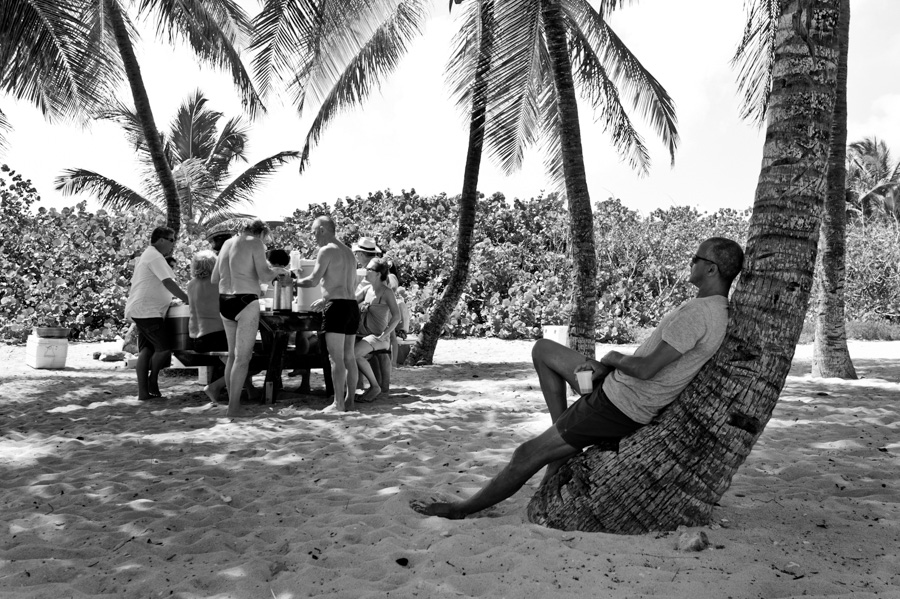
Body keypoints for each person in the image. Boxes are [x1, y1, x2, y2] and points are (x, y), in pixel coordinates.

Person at [412, 237, 744, 519]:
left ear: (712, 269)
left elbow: (646, 370)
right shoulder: (714, 310)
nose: (691, 263)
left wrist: (612, 358)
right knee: (544, 350)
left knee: (526, 454)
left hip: (618, 404)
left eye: (696, 258)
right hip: (610, 385)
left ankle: (460, 510)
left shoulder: (699, 314)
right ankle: (563, 436)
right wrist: (610, 368)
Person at [211, 219, 289, 417]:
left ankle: (232, 404)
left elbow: (214, 278)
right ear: (261, 233)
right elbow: (264, 276)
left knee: (232, 356)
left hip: (224, 300)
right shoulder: (255, 243)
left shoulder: (227, 243)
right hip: (245, 300)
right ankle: (233, 408)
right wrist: (278, 271)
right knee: (243, 358)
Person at [296, 216, 360, 412]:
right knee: (349, 357)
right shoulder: (349, 253)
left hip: (337, 308)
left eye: (314, 232)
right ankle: (349, 401)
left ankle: (338, 403)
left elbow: (313, 280)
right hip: (351, 306)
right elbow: (350, 283)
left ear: (322, 230)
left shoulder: (326, 250)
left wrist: (292, 281)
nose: (314, 236)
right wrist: (327, 298)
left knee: (336, 359)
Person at [124, 226, 189, 401]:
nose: (173, 244)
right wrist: (188, 299)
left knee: (146, 351)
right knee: (164, 348)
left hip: (144, 310)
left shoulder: (149, 255)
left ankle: (143, 393)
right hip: (148, 311)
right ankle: (152, 381)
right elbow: (168, 283)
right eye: (171, 240)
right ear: (161, 240)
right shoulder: (155, 256)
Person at [355, 258, 401, 403]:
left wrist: (384, 334)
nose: (365, 271)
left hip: (378, 338)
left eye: (369, 269)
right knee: (344, 351)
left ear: (378, 274)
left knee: (354, 354)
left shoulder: (387, 292)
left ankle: (375, 387)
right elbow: (350, 301)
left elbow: (397, 316)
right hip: (364, 335)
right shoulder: (367, 289)